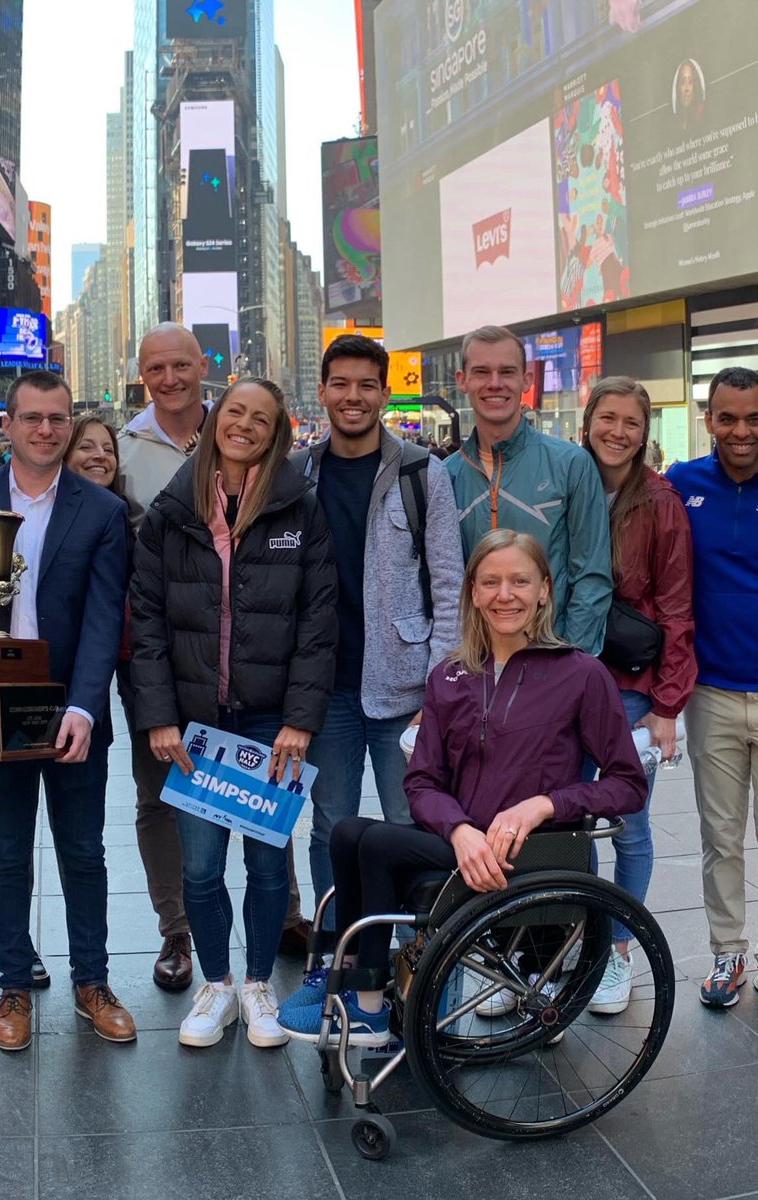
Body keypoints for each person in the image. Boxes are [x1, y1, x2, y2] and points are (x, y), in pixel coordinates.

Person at [278, 530, 646, 1043]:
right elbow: (423, 780)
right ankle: (346, 980)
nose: (505, 595)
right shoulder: (450, 676)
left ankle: (364, 1003)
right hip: (464, 847)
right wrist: (457, 831)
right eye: (490, 582)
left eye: (520, 581)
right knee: (345, 833)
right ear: (472, 592)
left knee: (376, 842)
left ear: (544, 590)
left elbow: (629, 784)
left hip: (534, 854)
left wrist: (544, 804)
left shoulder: (581, 674)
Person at [130, 377, 337, 1049]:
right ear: (218, 419)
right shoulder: (170, 510)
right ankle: (215, 982)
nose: (243, 424)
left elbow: (316, 623)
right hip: (195, 726)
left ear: (276, 432)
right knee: (198, 867)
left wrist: (300, 719)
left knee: (269, 865)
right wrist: (158, 715)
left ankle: (255, 983)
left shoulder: (298, 508)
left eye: (260, 418)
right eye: (235, 412)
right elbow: (149, 622)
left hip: (267, 723)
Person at [0, 370, 135, 1051]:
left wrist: (84, 706)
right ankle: (13, 984)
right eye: (32, 418)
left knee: (83, 851)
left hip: (71, 708)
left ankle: (92, 982)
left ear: (69, 424)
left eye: (57, 418)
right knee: (7, 853)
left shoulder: (102, 512)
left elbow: (105, 618)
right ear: (7, 424)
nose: (45, 429)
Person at [296, 333, 463, 923]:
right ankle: (330, 953)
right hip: (324, 690)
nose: (353, 396)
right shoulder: (297, 474)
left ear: (385, 394)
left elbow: (449, 587)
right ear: (322, 392)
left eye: (367, 385)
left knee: (411, 825)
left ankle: (417, 953)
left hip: (407, 688)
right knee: (328, 828)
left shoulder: (422, 472)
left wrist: (440, 691)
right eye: (340, 384)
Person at [581, 377, 695, 1011]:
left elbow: (678, 608)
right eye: (608, 417)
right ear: (590, 420)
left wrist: (667, 703)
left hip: (629, 687)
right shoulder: (567, 481)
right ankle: (578, 936)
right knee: (568, 819)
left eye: (630, 421)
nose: (617, 431)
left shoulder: (660, 501)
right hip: (563, 681)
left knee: (628, 821)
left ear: (644, 431)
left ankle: (619, 951)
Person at [667, 367, 758, 1007]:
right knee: (720, 837)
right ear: (709, 420)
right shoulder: (682, 484)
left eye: (753, 419)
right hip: (713, 694)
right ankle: (729, 957)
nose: (742, 431)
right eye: (728, 418)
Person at [445, 325, 612, 654]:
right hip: (473, 666)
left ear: (527, 379)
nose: (495, 383)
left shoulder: (571, 464)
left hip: (551, 660)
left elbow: (592, 575)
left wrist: (568, 661)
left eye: (507, 372)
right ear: (462, 380)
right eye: (482, 372)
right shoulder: (443, 476)